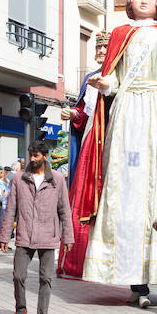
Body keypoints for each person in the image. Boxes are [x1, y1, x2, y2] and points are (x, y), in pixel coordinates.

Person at [72, 0, 157, 308]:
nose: (143, 1)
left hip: (156, 111)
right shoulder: (118, 34)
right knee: (123, 189)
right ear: (130, 1)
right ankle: (132, 281)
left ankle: (155, 273)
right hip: (127, 110)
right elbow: (113, 79)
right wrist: (104, 83)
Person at [0, 140, 73, 314]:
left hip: (49, 236)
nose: (32, 159)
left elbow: (65, 210)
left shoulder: (57, 179)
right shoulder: (18, 178)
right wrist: (5, 236)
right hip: (25, 235)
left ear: (45, 157)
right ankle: (20, 310)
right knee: (18, 276)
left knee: (45, 278)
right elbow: (11, 209)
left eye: (36, 156)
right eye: (30, 155)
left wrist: (69, 238)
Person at [59, 31, 111, 276]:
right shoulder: (90, 78)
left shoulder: (117, 76)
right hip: (92, 139)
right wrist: (74, 114)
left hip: (111, 138)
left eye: (105, 47)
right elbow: (84, 112)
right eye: (98, 48)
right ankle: (77, 260)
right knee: (82, 193)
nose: (101, 51)